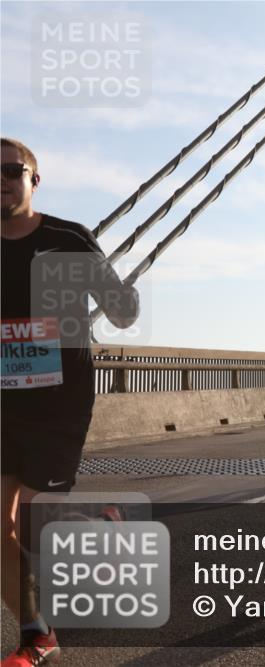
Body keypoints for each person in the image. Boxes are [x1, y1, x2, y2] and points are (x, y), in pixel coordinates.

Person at [1, 137, 140, 667]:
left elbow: (122, 312)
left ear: (34, 181)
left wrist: (114, 294)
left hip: (58, 405)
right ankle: (37, 636)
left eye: (13, 171)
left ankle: (101, 527)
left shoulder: (68, 239)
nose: (2, 181)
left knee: (38, 521)